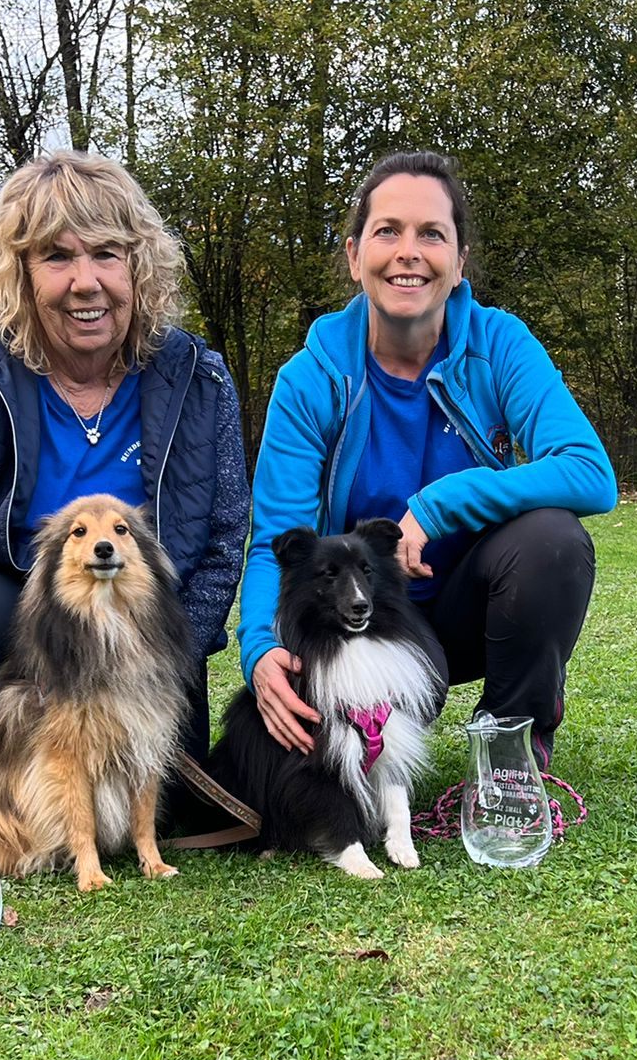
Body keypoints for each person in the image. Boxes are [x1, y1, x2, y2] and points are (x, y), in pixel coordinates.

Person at [0, 151, 248, 785]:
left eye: (106, 254)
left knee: (174, 809)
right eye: (57, 257)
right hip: (15, 649)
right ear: (22, 274)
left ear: (139, 267)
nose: (85, 282)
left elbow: (224, 544)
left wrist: (157, 659)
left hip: (145, 649)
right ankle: (4, 770)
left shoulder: (198, 379)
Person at [237, 151, 617, 769]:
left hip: (475, 603)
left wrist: (440, 505)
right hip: (361, 621)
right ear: (356, 255)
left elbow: (589, 472)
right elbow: (276, 542)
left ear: (459, 262)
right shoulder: (309, 379)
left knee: (552, 539)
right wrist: (259, 652)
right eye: (388, 231)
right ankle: (388, 709)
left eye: (432, 234)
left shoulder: (500, 344)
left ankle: (510, 754)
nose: (409, 251)